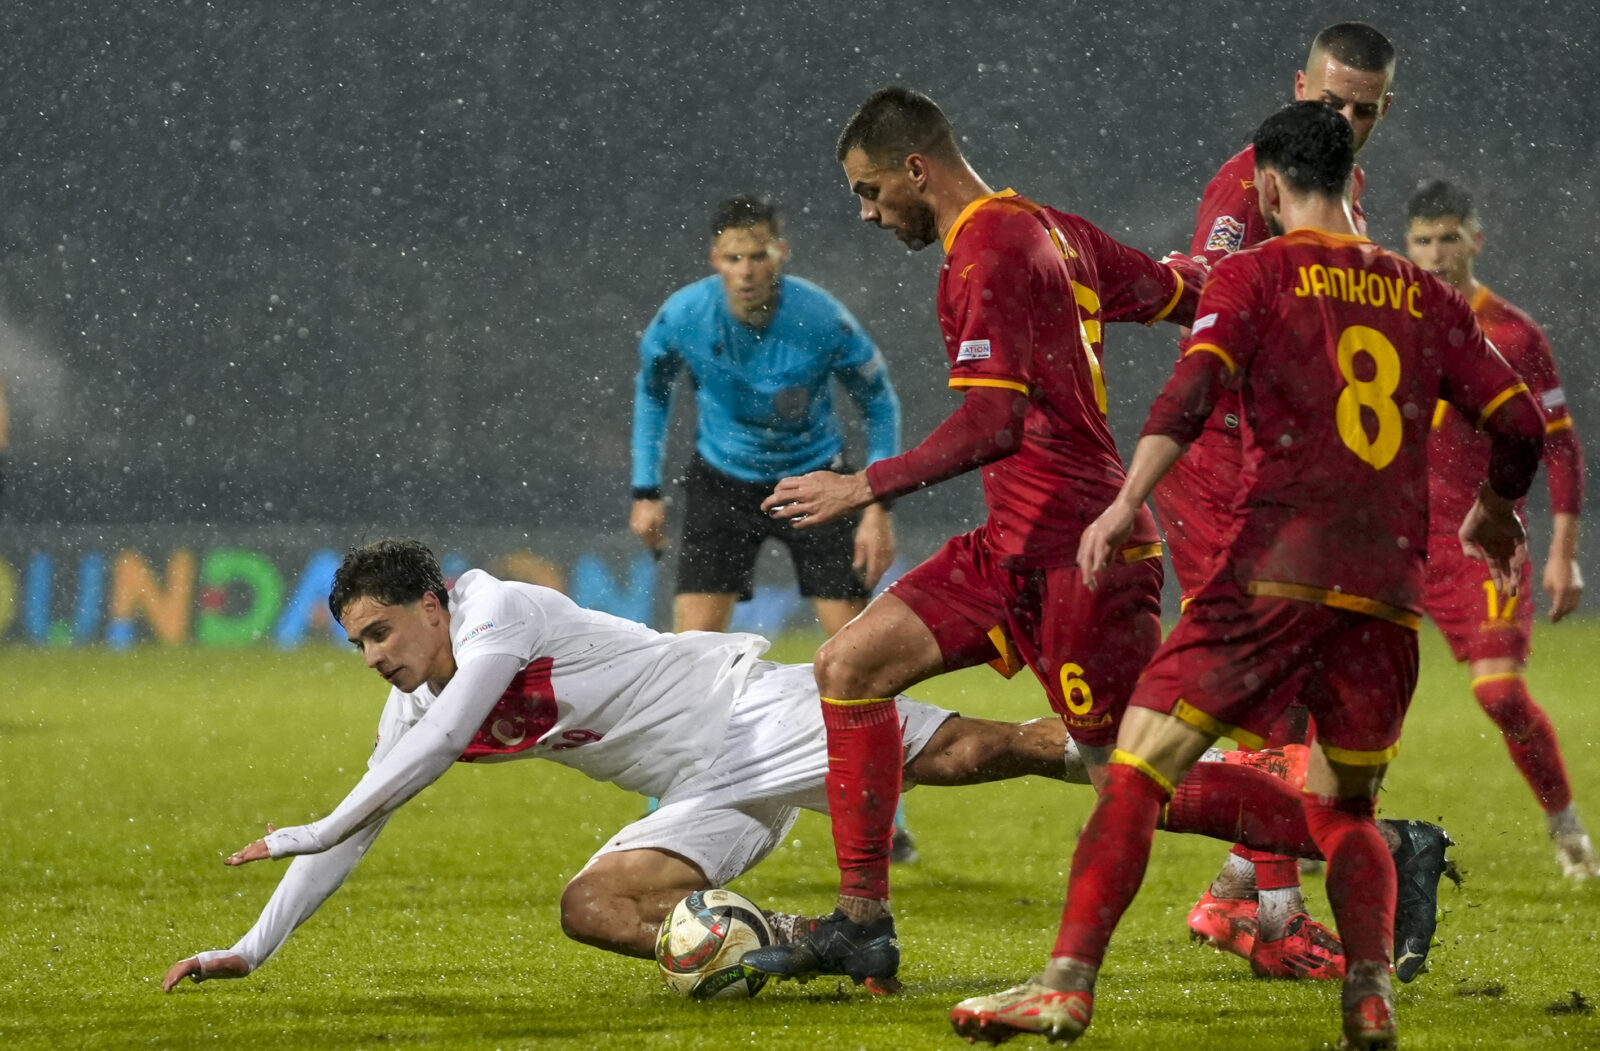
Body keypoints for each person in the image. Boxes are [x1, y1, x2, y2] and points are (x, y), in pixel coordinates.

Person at [741, 85, 1374, 992]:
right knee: (848, 668)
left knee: (1129, 774)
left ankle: (1384, 843)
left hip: (1084, 556)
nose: (869, 213)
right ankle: (860, 922)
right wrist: (1241, 271)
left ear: (919, 168)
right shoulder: (1052, 230)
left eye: (872, 190)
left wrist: (863, 484)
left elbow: (992, 425)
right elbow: (1178, 288)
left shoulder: (991, 253)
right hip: (1011, 547)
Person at [948, 102, 1545, 1050]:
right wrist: (1498, 509)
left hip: (1270, 578)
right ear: (1355, 183)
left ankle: (1065, 984)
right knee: (1345, 809)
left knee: (1134, 770)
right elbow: (1519, 424)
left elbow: (1190, 394)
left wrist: (1121, 500)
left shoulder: (1256, 271)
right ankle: (1369, 993)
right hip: (1383, 601)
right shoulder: (1427, 295)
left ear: (1267, 187)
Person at [160, 538, 1087, 990]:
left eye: (380, 631)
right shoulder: (413, 701)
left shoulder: (499, 611)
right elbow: (362, 825)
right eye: (357, 644)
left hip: (748, 712)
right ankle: (782, 943)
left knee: (974, 753)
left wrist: (312, 823)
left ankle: (1148, 750)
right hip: (701, 792)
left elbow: (433, 752)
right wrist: (252, 946)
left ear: (434, 605)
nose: (373, 656)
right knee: (590, 908)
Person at [1156, 21, 1402, 976]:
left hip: (1279, 464)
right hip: (1221, 457)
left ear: (1385, 112)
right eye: (1330, 100)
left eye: (1363, 110)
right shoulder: (1249, 179)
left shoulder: (1346, 190)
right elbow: (1209, 293)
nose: (1342, 118)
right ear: (1297, 83)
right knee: (1274, 678)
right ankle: (1276, 908)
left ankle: (1236, 892)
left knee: (1289, 675)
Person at [1405, 179, 1597, 880]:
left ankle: (1566, 827)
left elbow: (1560, 445)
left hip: (1474, 543)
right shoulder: (1389, 318)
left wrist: (1565, 553)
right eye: (1422, 239)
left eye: (1448, 237)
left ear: (1475, 240)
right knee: (1320, 684)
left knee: (1501, 694)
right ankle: (1294, 836)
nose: (1435, 252)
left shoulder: (1513, 334)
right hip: (1393, 538)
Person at [629, 194, 901, 639]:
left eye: (759, 255)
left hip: (817, 482)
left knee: (857, 659)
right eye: (735, 258)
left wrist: (878, 506)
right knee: (692, 656)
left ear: (781, 253)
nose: (747, 270)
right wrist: (645, 490)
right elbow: (652, 391)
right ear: (716, 260)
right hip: (722, 481)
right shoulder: (683, 316)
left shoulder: (823, 319)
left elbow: (880, 402)